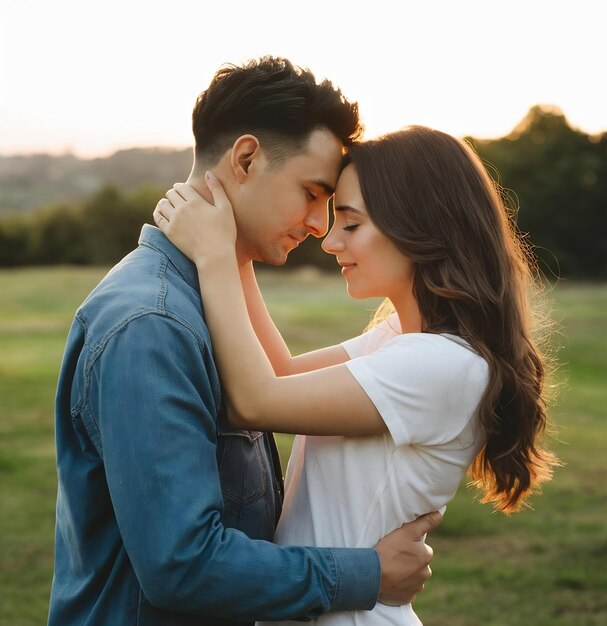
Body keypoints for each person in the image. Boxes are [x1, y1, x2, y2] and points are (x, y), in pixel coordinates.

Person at [48, 58, 441, 626]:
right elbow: (183, 565)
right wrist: (368, 574)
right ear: (247, 159)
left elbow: (277, 383)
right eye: (311, 192)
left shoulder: (205, 302)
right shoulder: (151, 324)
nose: (317, 224)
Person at [154, 124, 561, 625]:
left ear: (420, 228)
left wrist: (215, 255)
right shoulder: (401, 340)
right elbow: (280, 372)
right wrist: (237, 243)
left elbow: (255, 400)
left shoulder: (441, 366)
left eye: (351, 224)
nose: (329, 242)